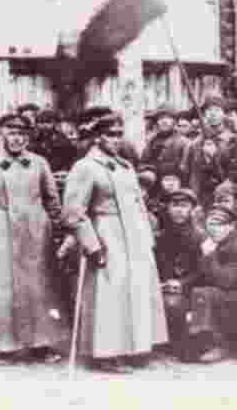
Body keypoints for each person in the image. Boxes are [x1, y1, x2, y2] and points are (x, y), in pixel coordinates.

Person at [62, 112, 168, 372]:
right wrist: (92, 244)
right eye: (110, 134)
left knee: (136, 290)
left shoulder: (125, 165)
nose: (116, 140)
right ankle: (106, 353)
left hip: (134, 234)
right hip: (106, 231)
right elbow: (74, 212)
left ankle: (135, 347)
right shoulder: (85, 167)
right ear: (98, 137)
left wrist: (146, 234)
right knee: (110, 293)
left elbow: (138, 202)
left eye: (119, 134)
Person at [0, 114, 69, 365]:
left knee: (40, 288)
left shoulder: (39, 164)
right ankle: (4, 347)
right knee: (2, 290)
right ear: (2, 135)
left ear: (28, 137)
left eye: (22, 134)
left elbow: (52, 201)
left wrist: (59, 231)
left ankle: (41, 344)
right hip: (1, 230)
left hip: (36, 232)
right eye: (12, 133)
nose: (17, 139)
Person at [183, 205, 237, 363]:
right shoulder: (213, 242)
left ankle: (219, 344)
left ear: (230, 226)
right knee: (198, 292)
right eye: (210, 225)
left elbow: (226, 281)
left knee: (203, 293)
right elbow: (201, 275)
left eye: (219, 224)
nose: (214, 229)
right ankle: (202, 342)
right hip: (220, 294)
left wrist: (210, 256)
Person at [154, 188, 205, 360]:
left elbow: (203, 271)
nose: (179, 210)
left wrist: (181, 283)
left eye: (184, 206)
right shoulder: (161, 236)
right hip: (165, 286)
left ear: (191, 209)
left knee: (173, 303)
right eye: (174, 205)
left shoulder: (200, 237)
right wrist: (161, 283)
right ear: (168, 208)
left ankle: (178, 346)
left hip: (191, 289)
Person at [141, 104, 189, 183]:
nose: (164, 121)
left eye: (168, 118)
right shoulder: (151, 142)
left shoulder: (184, 143)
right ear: (157, 122)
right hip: (155, 185)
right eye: (161, 118)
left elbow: (186, 170)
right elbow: (143, 164)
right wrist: (148, 172)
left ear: (174, 121)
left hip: (176, 186)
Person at [32, 108, 79, 175]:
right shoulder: (34, 139)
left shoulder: (62, 140)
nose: (44, 125)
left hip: (58, 173)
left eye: (48, 122)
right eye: (41, 122)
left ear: (54, 123)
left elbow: (70, 159)